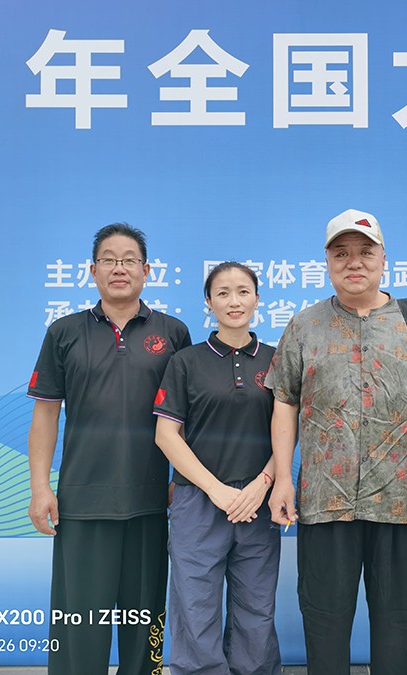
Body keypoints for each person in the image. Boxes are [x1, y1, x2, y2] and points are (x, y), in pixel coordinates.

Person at [265, 208, 407, 675]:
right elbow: (284, 402)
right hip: (325, 502)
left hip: (403, 500)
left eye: (365, 252)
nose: (354, 262)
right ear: (327, 262)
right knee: (324, 624)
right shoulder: (304, 325)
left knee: (399, 623)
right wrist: (283, 479)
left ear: (384, 259)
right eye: (341, 253)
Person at [27, 223, 191, 675]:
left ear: (147, 271)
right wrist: (40, 488)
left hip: (151, 501)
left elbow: (188, 417)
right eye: (109, 260)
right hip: (83, 501)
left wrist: (180, 480)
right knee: (79, 625)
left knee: (145, 624)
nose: (120, 268)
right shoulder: (64, 332)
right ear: (93, 270)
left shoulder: (173, 333)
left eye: (130, 260)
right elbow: (45, 414)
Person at [154, 261, 281, 675]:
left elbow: (289, 432)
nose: (234, 301)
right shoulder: (186, 362)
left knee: (256, 609)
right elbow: (166, 435)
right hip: (198, 501)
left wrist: (262, 484)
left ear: (257, 299)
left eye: (243, 291)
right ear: (208, 302)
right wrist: (216, 489)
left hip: (257, 503)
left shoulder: (276, 361)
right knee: (195, 607)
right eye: (222, 293)